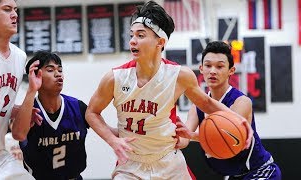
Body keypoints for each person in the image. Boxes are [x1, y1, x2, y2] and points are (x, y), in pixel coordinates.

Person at [85, 1, 253, 179]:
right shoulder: (114, 78)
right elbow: (92, 112)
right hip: (131, 163)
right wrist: (112, 140)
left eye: (141, 35)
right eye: (132, 35)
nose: (133, 40)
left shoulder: (179, 75)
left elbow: (206, 103)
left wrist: (238, 121)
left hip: (168, 161)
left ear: (160, 41)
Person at [175, 41, 281, 179]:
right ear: (201, 69)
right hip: (233, 175)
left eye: (219, 66)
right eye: (208, 65)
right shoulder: (196, 108)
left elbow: (228, 136)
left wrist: (193, 135)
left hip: (260, 171)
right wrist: (176, 139)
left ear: (231, 70)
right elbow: (185, 140)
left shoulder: (241, 101)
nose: (213, 71)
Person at [11, 51, 111, 179]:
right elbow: (18, 134)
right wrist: (32, 90)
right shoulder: (28, 111)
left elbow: (108, 131)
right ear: (36, 76)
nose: (58, 74)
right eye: (50, 70)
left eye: (60, 69)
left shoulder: (77, 107)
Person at [0, 0, 34, 179]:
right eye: (7, 9)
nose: (15, 15)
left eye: (15, 10)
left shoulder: (20, 57)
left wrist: (18, 111)